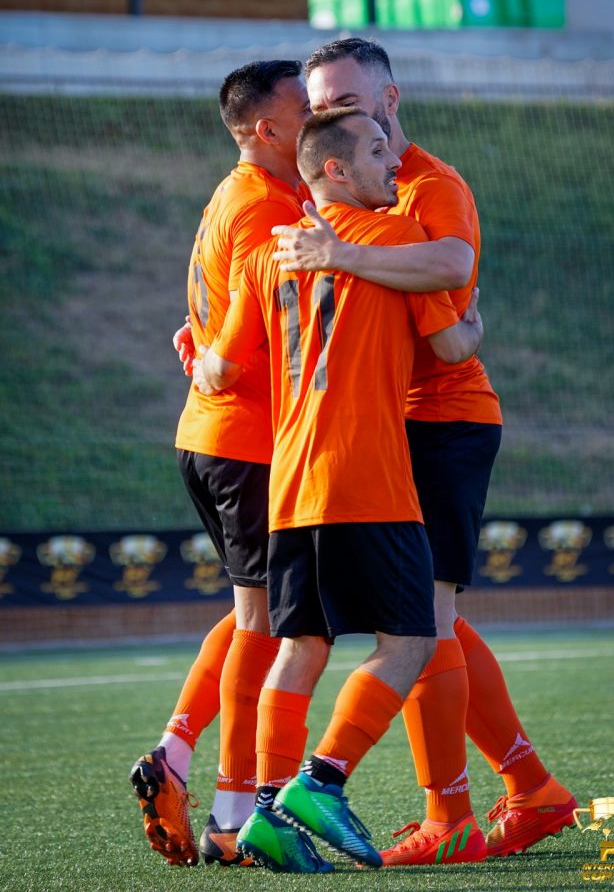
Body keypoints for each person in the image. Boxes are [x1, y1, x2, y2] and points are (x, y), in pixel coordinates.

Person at [270, 37, 577, 864]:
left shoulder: (428, 187)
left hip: (441, 419)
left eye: (346, 101)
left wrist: (341, 254)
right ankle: (529, 788)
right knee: (425, 622)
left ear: (389, 99)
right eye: (319, 106)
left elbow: (450, 265)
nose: (331, 115)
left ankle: (450, 818)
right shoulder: (341, 197)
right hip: (383, 427)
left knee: (421, 623)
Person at [193, 108, 485, 873]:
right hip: (368, 479)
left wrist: (194, 358)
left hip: (290, 484)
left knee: (300, 647)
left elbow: (221, 367)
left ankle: (264, 816)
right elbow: (450, 342)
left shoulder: (268, 254)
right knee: (412, 639)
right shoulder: (395, 240)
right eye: (377, 150)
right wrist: (476, 323)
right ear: (335, 169)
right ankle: (320, 781)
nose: (392, 162)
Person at [129, 60, 312, 866]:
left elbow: (212, 315)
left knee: (254, 616)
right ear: (266, 129)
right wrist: (215, 359)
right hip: (247, 442)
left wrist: (204, 351)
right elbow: (239, 339)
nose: (318, 117)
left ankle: (174, 755)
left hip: (214, 437)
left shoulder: (232, 192)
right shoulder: (266, 206)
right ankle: (233, 816)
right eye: (305, 109)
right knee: (266, 625)